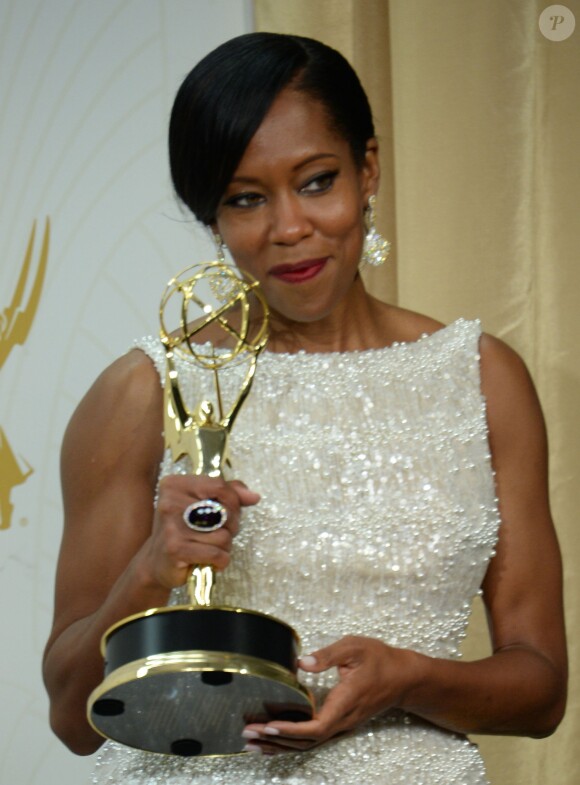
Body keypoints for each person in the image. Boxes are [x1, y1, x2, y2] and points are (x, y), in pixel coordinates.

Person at [43, 32, 567, 785]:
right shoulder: (142, 391)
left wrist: (408, 678)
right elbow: (71, 718)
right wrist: (150, 570)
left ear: (368, 169)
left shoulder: (482, 377)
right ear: (212, 217)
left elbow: (541, 689)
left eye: (317, 181)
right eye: (246, 198)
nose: (288, 227)